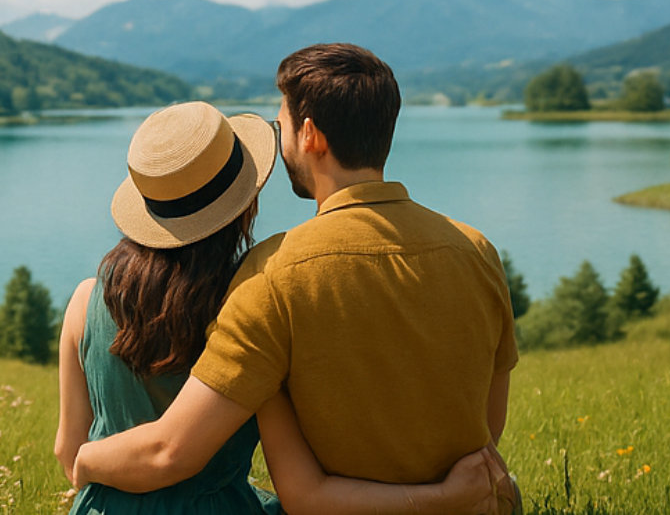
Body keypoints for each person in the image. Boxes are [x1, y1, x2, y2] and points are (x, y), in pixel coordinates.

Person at [73, 46, 521, 514]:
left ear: (309, 135)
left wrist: (83, 459)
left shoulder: (272, 275)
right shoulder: (477, 250)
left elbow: (187, 455)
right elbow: (487, 432)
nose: (279, 139)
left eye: (280, 125)